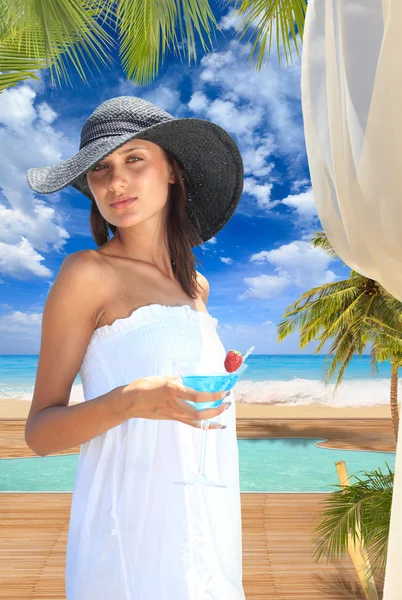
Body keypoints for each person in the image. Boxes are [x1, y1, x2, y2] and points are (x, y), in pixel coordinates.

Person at [24, 96, 245, 600]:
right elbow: (40, 433)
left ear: (171, 170)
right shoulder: (87, 274)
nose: (116, 182)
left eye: (134, 159)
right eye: (100, 170)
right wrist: (128, 401)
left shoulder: (197, 288)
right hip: (128, 531)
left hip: (201, 521)